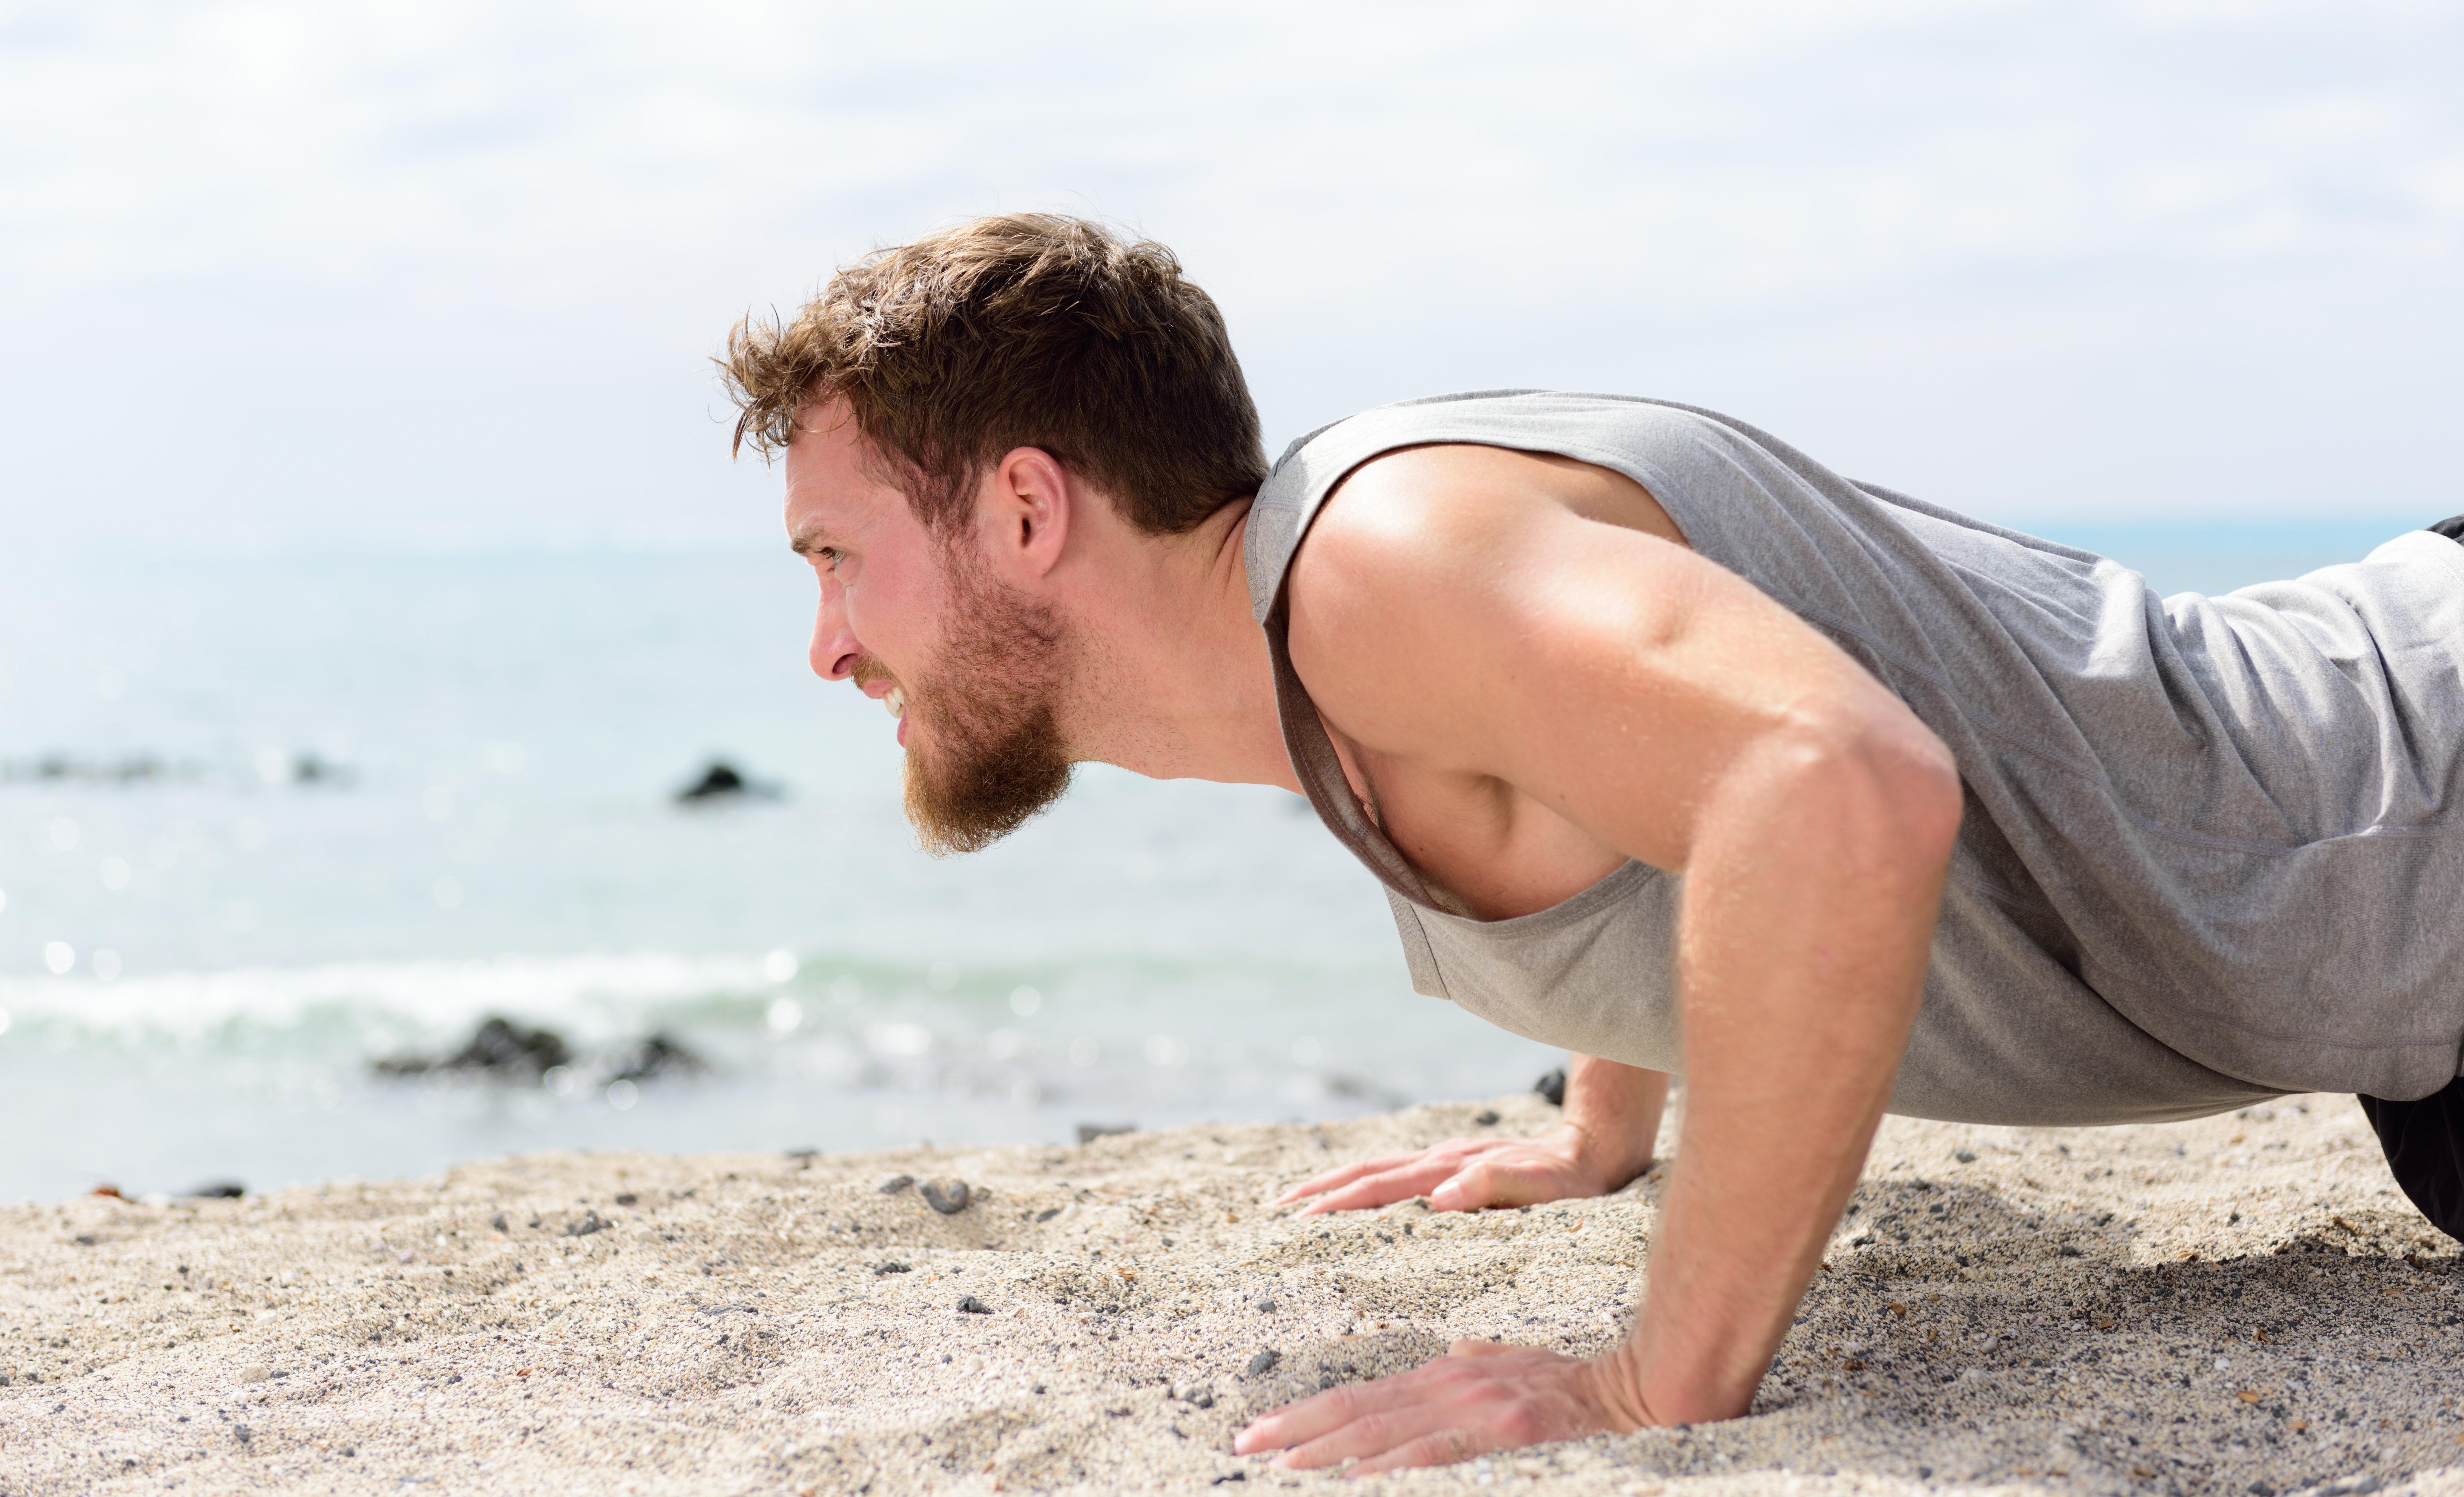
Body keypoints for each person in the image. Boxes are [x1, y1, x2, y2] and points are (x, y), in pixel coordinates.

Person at [720, 214, 2464, 1474]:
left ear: (1026, 509)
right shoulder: (1312, 655)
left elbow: (1833, 785)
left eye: (834, 558)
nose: (825, 648)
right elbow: (1645, 786)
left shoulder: (1381, 559)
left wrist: (1657, 1380)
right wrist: (1601, 1112)